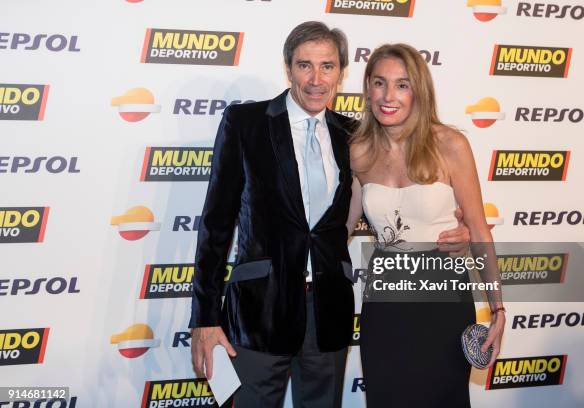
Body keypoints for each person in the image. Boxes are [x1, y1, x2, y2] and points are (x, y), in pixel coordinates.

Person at [190, 23, 470, 407]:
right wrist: (204, 319)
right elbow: (214, 228)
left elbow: (397, 202)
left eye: (327, 66)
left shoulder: (355, 138)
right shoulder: (246, 124)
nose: (316, 78)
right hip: (258, 313)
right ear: (288, 68)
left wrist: (459, 231)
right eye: (305, 65)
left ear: (341, 72)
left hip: (328, 314)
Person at [346, 43, 505, 407]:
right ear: (367, 87)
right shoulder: (358, 151)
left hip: (443, 296)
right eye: (380, 83)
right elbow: (339, 230)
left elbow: (479, 231)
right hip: (385, 300)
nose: (389, 96)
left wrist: (498, 309)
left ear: (419, 90)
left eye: (402, 85)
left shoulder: (450, 145)